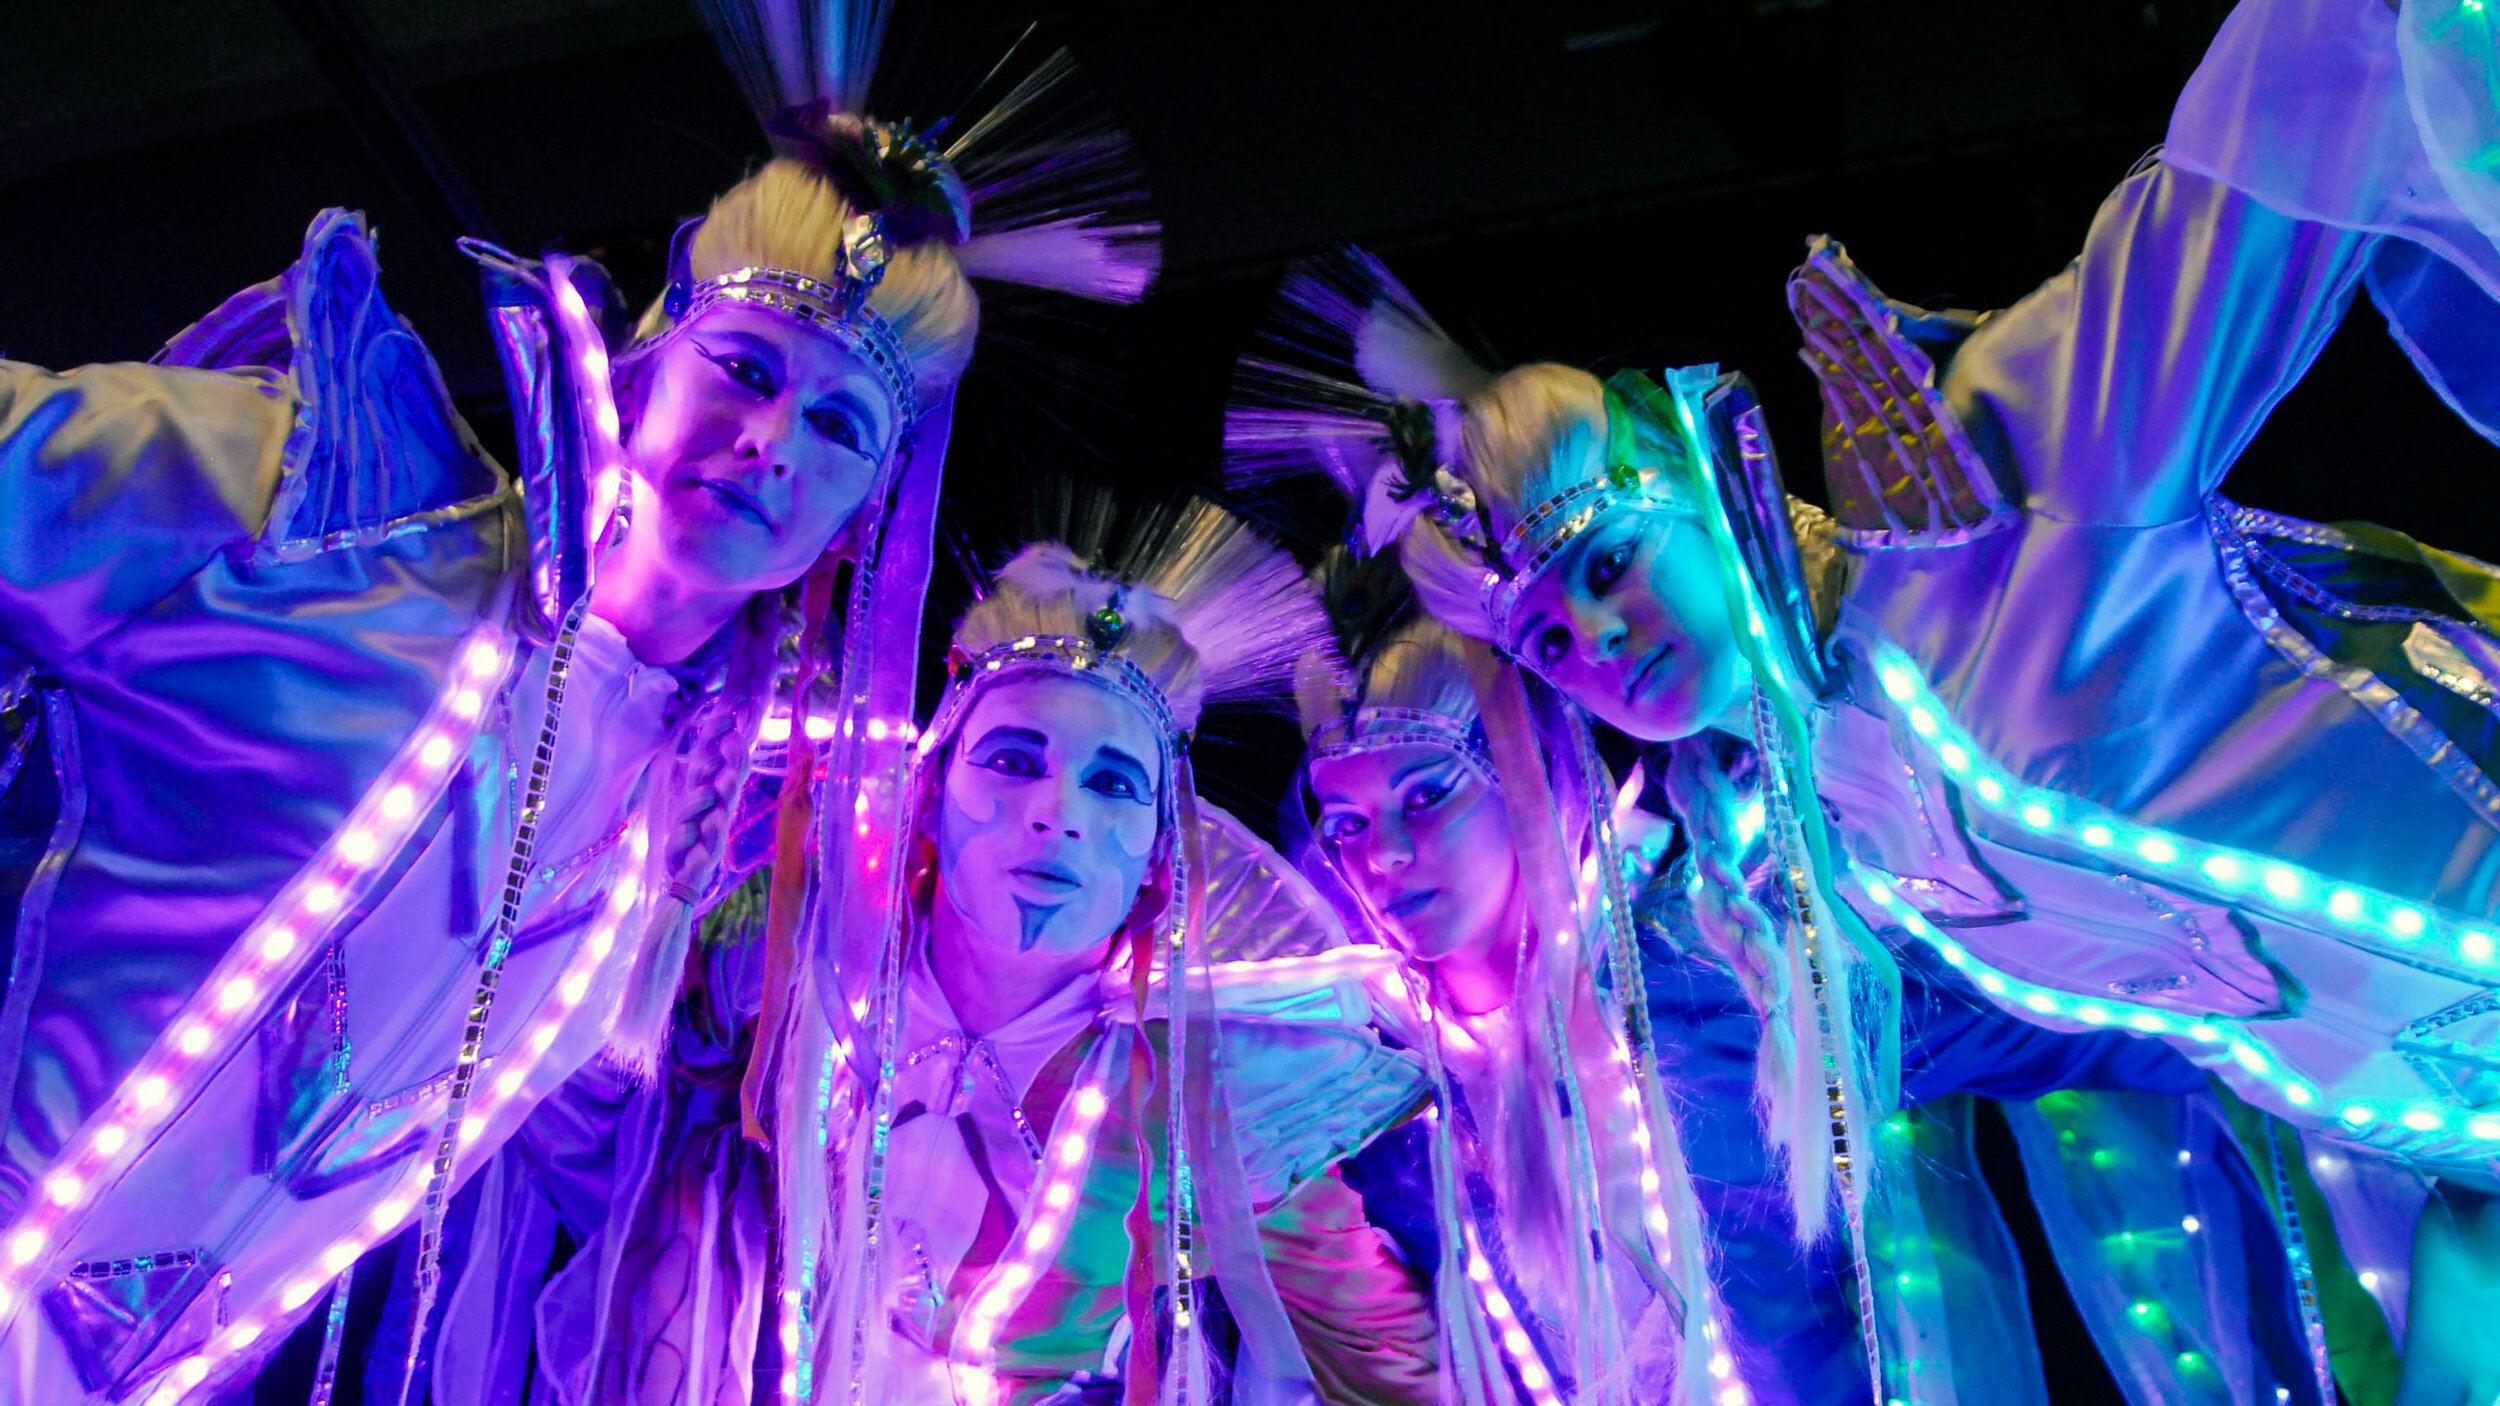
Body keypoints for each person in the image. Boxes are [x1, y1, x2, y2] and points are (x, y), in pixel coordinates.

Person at [1293, 2, 2500, 1402]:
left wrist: (2007, 495)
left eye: (1613, 563)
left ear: (1702, 466)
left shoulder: (1993, 496)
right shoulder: (1825, 854)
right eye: (1551, 643)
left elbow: (2277, 122)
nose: (1601, 641)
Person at [0, 0, 1160, 1397]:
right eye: (745, 366)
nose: (769, 438)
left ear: (862, 517)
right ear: (653, 357)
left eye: (843, 423)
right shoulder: (339, 518)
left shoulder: (668, 824)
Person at [723, 502, 1443, 1405]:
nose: (1058, 814)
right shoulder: (811, 977)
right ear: (935, 784)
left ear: (1158, 844)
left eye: (1112, 783)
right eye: (1015, 761)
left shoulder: (1207, 1087)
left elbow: (1378, 1350)